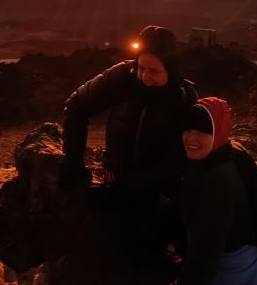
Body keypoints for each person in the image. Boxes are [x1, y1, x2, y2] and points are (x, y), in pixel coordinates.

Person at [59, 25, 198, 260]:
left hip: (157, 191)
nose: (145, 77)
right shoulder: (124, 77)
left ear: (171, 71)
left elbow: (181, 157)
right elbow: (76, 106)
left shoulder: (184, 99)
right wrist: (73, 162)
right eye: (141, 68)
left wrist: (135, 188)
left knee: (151, 253)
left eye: (154, 71)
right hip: (117, 177)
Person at [178, 97, 257, 285]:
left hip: (233, 270)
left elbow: (206, 253)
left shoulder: (217, 181)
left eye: (202, 131)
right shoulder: (228, 154)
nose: (191, 137)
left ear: (218, 132)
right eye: (188, 129)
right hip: (253, 256)